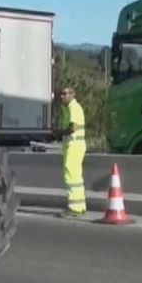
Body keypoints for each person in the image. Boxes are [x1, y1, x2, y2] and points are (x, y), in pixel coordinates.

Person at [55, 86, 87, 217]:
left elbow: (72, 127)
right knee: (76, 177)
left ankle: (74, 208)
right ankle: (80, 205)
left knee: (70, 175)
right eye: (61, 94)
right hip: (75, 144)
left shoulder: (74, 107)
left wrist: (59, 134)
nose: (62, 96)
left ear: (72, 94)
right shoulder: (71, 108)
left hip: (74, 145)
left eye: (64, 94)